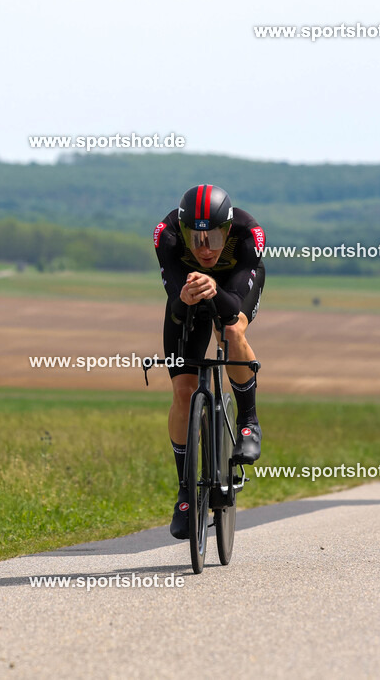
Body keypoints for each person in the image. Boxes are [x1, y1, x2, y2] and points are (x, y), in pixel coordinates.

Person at [153, 184, 266, 540]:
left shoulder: (249, 234)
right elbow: (174, 304)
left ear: (228, 231)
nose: (205, 249)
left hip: (232, 290)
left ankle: (248, 421)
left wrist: (215, 290)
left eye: (215, 239)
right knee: (183, 393)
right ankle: (186, 491)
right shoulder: (166, 235)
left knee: (233, 331)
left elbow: (234, 302)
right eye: (196, 240)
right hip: (188, 293)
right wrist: (184, 297)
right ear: (184, 233)